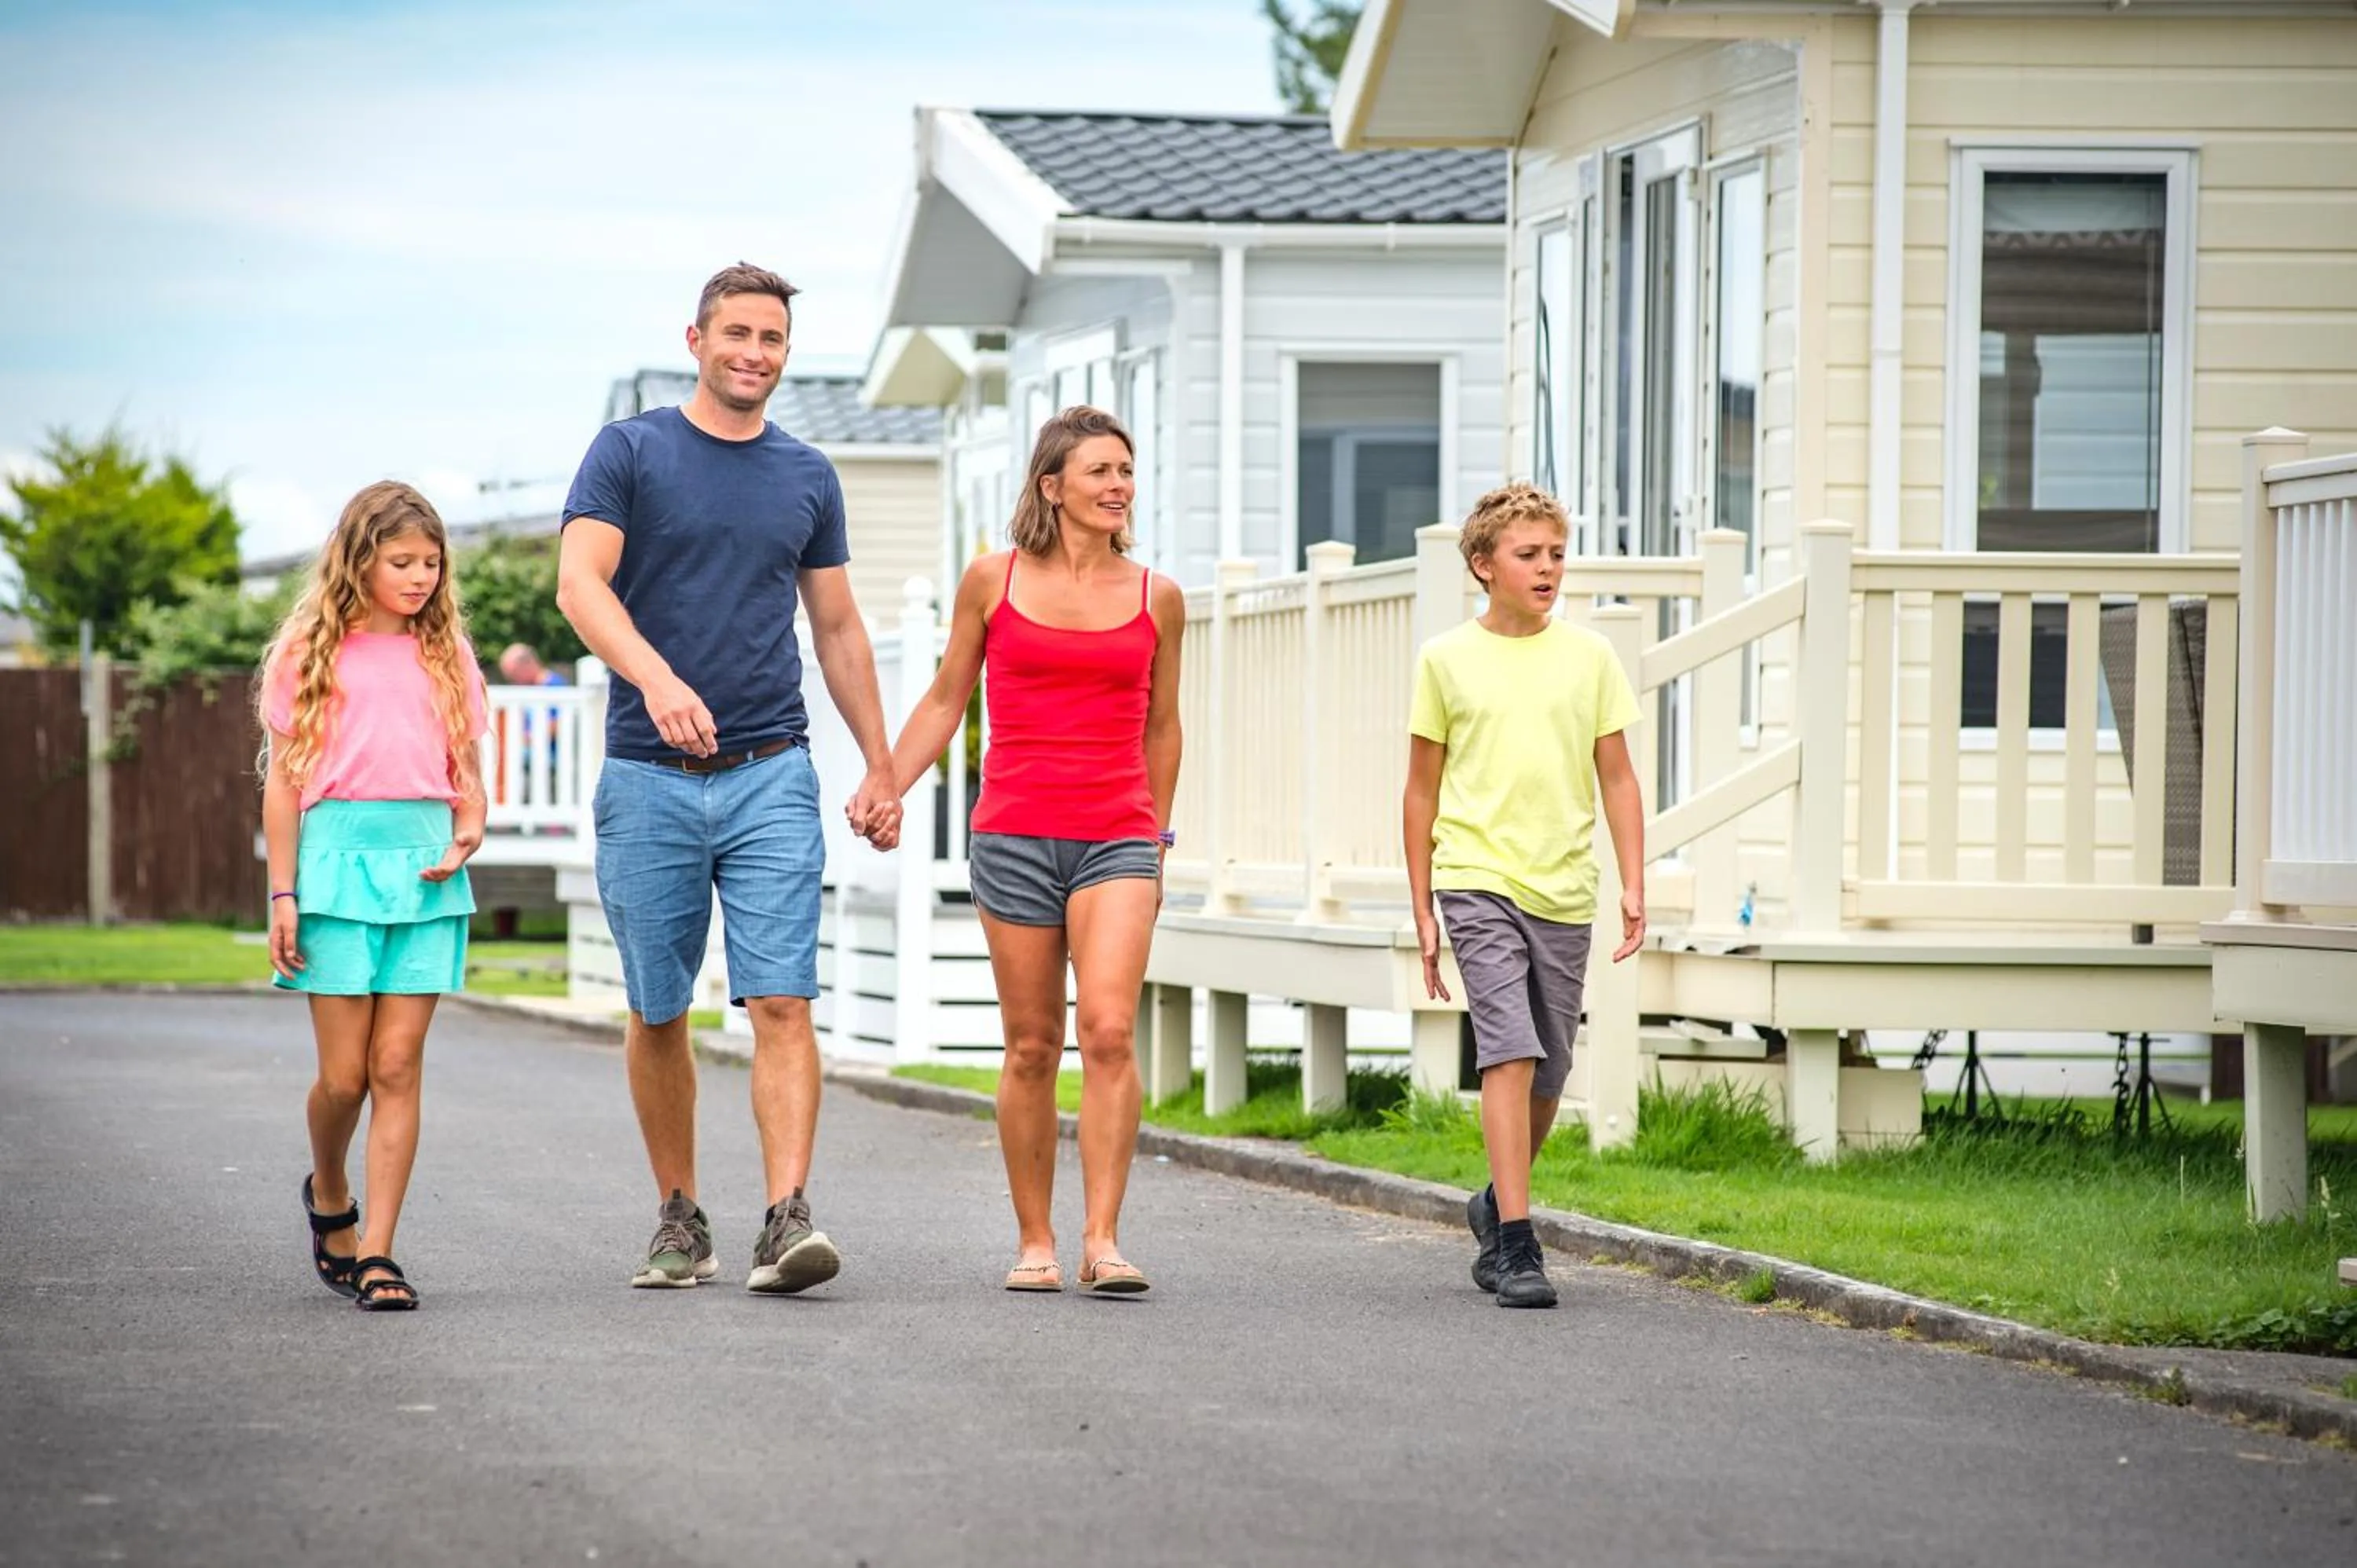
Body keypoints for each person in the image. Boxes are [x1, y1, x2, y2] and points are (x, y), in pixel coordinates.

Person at [556, 262, 900, 1294]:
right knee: (659, 1009)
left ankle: (786, 1217)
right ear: (698, 339)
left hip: (770, 773)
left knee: (782, 1002)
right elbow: (581, 584)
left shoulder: (806, 476)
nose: (756, 352)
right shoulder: (632, 452)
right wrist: (654, 678)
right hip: (648, 776)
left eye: (775, 339)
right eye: (739, 332)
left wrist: (881, 764)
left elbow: (836, 628)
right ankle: (678, 1213)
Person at [887, 405, 1183, 1295]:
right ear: (1052, 485)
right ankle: (1035, 1240)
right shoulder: (993, 580)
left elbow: (1163, 728)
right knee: (1029, 1044)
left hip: (1117, 833)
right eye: (1100, 470)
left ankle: (1103, 1238)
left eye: (1126, 470)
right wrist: (885, 784)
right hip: (1013, 831)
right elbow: (946, 701)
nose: (1118, 484)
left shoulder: (1156, 595)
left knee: (1108, 1029)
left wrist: (1158, 839)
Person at [1402, 483, 1646, 1310]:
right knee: (1509, 1047)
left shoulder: (1590, 657)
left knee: (1551, 1065)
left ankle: (1493, 1202)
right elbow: (1419, 792)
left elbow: (1617, 774)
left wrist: (1634, 880)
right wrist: (1423, 907)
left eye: (1555, 554)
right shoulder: (1445, 659)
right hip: (1476, 876)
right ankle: (1515, 1241)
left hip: (1564, 884)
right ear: (1483, 565)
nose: (1547, 569)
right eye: (1528, 555)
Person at [260, 480, 489, 1313]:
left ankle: (381, 1253)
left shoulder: (448, 653)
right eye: (402, 561)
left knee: (397, 1064)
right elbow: (283, 789)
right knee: (345, 1079)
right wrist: (283, 894)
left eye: (431, 562)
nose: (421, 576)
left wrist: (469, 825)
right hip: (333, 869)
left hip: (427, 871)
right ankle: (329, 1189)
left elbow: (468, 777)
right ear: (358, 559)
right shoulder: (307, 654)